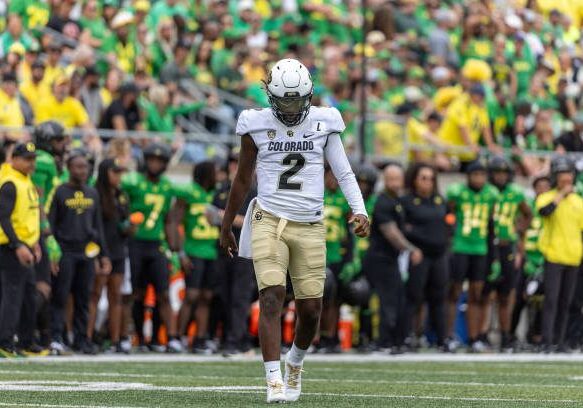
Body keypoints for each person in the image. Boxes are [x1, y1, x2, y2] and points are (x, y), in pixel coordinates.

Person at [220, 59, 369, 403]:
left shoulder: (324, 120)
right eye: (282, 101)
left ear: (308, 95)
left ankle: (295, 363)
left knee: (311, 309)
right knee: (271, 296)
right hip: (268, 218)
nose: (289, 108)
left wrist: (359, 209)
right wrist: (226, 224)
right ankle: (273, 380)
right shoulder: (255, 123)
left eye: (295, 101)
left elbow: (343, 172)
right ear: (270, 96)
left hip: (311, 223)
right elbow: (243, 179)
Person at [48, 150, 111, 355]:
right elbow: (52, 226)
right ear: (68, 169)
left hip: (86, 253)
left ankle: (82, 338)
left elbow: (98, 226)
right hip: (66, 251)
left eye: (85, 167)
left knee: (84, 298)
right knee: (61, 296)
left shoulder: (92, 193)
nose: (82, 171)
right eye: (78, 167)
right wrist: (53, 254)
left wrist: (104, 255)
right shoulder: (60, 192)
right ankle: (57, 337)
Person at [122, 143, 178, 352]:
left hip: (156, 245)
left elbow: (170, 219)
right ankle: (134, 336)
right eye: (152, 160)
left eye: (160, 161)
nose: (155, 164)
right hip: (134, 243)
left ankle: (170, 338)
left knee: (163, 293)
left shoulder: (167, 186)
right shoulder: (133, 181)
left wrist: (175, 250)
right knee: (135, 292)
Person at [446, 159, 499, 352]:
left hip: (480, 249)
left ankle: (474, 337)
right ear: (468, 176)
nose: (478, 179)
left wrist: (494, 256)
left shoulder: (491, 194)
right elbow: (448, 214)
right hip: (460, 247)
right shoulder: (457, 192)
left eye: (482, 175)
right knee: (454, 291)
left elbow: (492, 225)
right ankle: (449, 335)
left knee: (477, 294)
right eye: (475, 175)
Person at [480, 156, 532, 351]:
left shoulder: (515, 193)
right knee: (485, 293)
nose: (500, 176)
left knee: (506, 294)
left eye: (503, 173)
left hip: (506, 246)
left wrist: (518, 231)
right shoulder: (486, 192)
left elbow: (528, 214)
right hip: (486, 246)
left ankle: (505, 335)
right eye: (496, 172)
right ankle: (482, 334)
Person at [364, 163, 417, 354]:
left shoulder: (397, 201)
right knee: (388, 300)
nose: (395, 183)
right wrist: (411, 250)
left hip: (390, 258)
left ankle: (395, 339)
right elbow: (391, 233)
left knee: (397, 299)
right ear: (385, 181)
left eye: (397, 179)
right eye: (391, 179)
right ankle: (384, 341)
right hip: (380, 258)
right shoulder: (383, 202)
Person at [400, 162, 449, 351]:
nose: (427, 182)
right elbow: (403, 228)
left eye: (431, 178)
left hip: (439, 255)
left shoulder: (439, 200)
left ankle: (441, 339)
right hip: (418, 255)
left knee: (438, 298)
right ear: (414, 180)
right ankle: (407, 336)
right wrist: (413, 247)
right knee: (413, 297)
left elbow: (448, 223)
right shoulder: (407, 201)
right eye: (423, 178)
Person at [171, 161, 219, 354]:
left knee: (206, 297)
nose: (217, 175)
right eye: (213, 172)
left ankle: (199, 338)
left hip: (212, 252)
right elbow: (174, 222)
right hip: (193, 250)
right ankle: (177, 337)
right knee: (191, 295)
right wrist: (180, 252)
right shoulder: (188, 192)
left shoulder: (215, 194)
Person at [537, 156, 583, 353]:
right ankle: (547, 340)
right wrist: (560, 195)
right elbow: (545, 212)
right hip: (554, 255)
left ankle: (561, 340)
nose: (566, 178)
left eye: (569, 174)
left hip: (573, 256)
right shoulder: (546, 197)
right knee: (551, 300)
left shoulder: (578, 201)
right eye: (562, 174)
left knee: (567, 302)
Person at [213, 151, 256, 357]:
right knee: (224, 295)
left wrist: (224, 218)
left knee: (240, 296)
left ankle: (236, 339)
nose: (234, 166)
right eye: (231, 162)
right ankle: (228, 337)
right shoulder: (222, 189)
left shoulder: (253, 189)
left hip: (244, 249)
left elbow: (252, 221)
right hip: (223, 249)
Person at [0, 142, 42, 357]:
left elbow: (27, 216)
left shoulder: (24, 180)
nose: (31, 163)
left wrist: (34, 242)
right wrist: (17, 245)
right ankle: (4, 342)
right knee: (13, 295)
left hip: (25, 245)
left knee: (28, 296)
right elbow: (3, 218)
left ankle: (26, 341)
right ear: (14, 159)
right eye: (27, 159)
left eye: (33, 159)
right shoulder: (9, 182)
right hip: (10, 247)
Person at [87, 158, 132, 353]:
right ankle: (86, 337)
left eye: (120, 173)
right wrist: (99, 254)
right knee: (95, 295)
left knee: (116, 296)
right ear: (105, 172)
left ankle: (115, 341)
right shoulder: (95, 193)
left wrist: (131, 227)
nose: (119, 176)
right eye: (115, 172)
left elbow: (123, 226)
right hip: (101, 251)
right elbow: (95, 227)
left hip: (118, 251)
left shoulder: (122, 195)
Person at [31, 121, 67, 348]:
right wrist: (47, 236)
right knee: (40, 287)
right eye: (58, 140)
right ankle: (26, 333)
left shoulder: (48, 161)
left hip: (38, 231)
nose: (62, 144)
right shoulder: (43, 162)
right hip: (36, 232)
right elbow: (38, 201)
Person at [511, 176, 551, 349]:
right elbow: (520, 231)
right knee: (519, 298)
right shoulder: (528, 207)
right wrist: (521, 254)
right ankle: (511, 335)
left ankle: (536, 336)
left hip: (546, 258)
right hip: (528, 257)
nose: (542, 190)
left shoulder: (552, 208)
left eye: (545, 187)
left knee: (543, 301)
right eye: (539, 186)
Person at [319, 164, 351, 353]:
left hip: (336, 253)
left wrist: (350, 256)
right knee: (312, 298)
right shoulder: (316, 194)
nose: (334, 180)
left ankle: (329, 337)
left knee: (334, 299)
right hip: (316, 252)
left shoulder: (343, 198)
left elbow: (349, 230)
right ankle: (311, 338)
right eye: (331, 176)